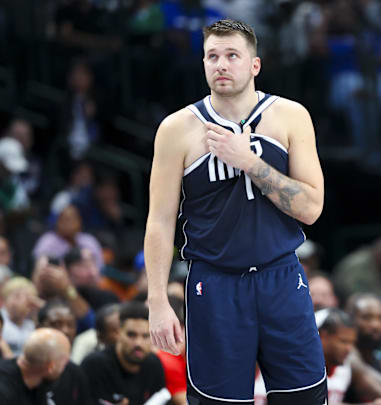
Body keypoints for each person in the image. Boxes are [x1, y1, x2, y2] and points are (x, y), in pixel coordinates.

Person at [144, 18, 327, 404]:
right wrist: (157, 300)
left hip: (281, 276)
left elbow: (311, 208)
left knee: (305, 398)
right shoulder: (177, 128)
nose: (221, 64)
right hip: (215, 283)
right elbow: (159, 222)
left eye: (232, 55)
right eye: (212, 56)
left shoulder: (291, 116)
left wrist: (249, 162)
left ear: (254, 65)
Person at [81, 301, 167, 405]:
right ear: (118, 333)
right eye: (131, 335)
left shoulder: (154, 364)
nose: (138, 343)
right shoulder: (94, 365)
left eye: (145, 336)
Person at [37, 299, 94, 405]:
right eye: (56, 324)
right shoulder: (27, 368)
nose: (65, 331)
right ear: (38, 327)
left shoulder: (76, 373)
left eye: (70, 325)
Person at [0, 328, 71, 405]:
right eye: (64, 362)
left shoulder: (39, 382)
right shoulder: (4, 392)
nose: (66, 366)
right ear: (51, 367)